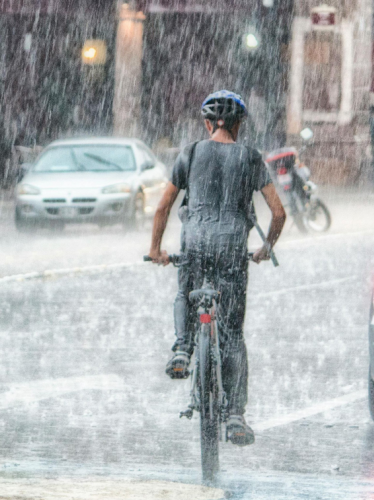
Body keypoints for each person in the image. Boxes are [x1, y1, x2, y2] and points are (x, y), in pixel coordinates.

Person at [148, 90, 286, 446]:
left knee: (185, 290)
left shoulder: (191, 152)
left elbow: (163, 207)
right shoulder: (251, 158)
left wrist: (155, 249)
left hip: (195, 243)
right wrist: (265, 248)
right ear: (239, 125)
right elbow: (279, 212)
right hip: (231, 249)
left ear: (207, 123)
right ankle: (236, 415)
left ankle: (182, 348)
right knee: (232, 335)